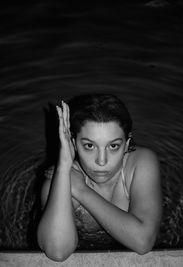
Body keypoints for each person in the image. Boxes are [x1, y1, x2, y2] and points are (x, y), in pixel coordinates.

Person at [37, 93, 162, 262]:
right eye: (89, 146)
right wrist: (63, 169)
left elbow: (143, 241)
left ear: (126, 143)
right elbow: (57, 251)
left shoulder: (141, 163)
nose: (101, 161)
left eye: (113, 146)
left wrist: (81, 190)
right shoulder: (60, 180)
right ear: (73, 144)